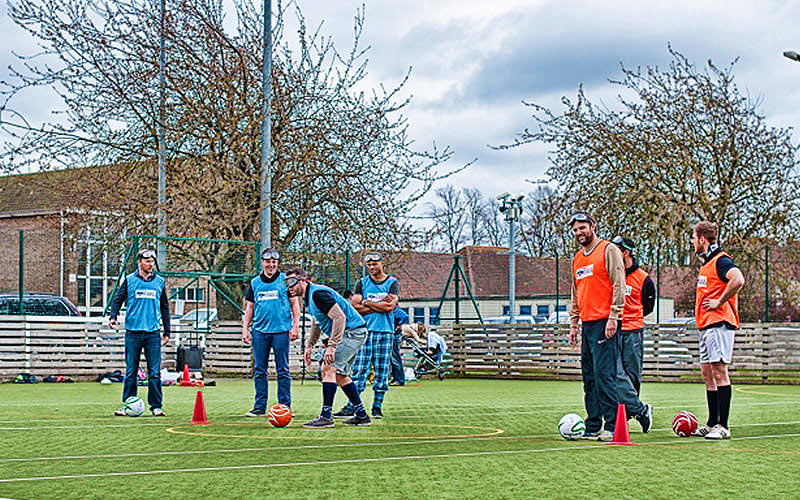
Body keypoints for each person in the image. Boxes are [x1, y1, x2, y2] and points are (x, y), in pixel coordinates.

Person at [568, 212, 652, 441]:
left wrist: (614, 317)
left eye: (583, 227)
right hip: (587, 324)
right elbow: (576, 293)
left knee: (606, 375)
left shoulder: (608, 250)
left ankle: (613, 424)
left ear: (593, 227)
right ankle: (593, 424)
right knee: (590, 377)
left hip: (606, 322)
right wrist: (574, 324)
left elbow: (618, 283)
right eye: (575, 230)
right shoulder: (577, 259)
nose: (579, 233)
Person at [284, 267, 372, 428]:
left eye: (291, 282)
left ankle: (326, 416)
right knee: (339, 375)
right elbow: (317, 322)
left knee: (327, 369)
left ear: (304, 280)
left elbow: (339, 318)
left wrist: (332, 346)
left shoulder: (318, 294)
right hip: (354, 332)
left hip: (352, 332)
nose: (288, 287)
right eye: (286, 283)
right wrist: (309, 345)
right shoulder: (308, 298)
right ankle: (361, 415)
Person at [690, 221, 744, 440]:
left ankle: (723, 425)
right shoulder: (706, 264)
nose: (692, 242)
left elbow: (738, 279)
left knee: (719, 372)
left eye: (693, 238)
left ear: (703, 239)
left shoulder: (721, 261)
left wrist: (720, 301)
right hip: (705, 325)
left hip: (719, 323)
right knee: (707, 372)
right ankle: (712, 422)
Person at [336, 252, 399, 419]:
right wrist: (379, 304)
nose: (371, 268)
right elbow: (355, 306)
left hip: (385, 332)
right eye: (369, 265)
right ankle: (352, 406)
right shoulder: (362, 283)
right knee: (359, 371)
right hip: (364, 332)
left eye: (374, 264)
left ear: (382, 263)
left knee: (382, 370)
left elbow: (390, 307)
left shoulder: (392, 283)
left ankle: (377, 406)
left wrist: (369, 302)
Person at [109, 248, 171, 417]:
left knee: (154, 373)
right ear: (139, 262)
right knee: (131, 372)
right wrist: (113, 316)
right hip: (133, 333)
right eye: (147, 261)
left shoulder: (159, 282)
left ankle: (156, 406)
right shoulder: (129, 280)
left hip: (152, 334)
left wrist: (167, 331)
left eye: (152, 261)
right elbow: (117, 299)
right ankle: (127, 404)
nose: (150, 264)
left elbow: (165, 307)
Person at [241, 248, 301, 416]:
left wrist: (295, 325)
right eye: (268, 262)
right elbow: (250, 308)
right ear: (262, 263)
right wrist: (245, 329)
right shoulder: (255, 283)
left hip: (281, 332)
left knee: (283, 370)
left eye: (274, 262)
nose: (271, 265)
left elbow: (294, 304)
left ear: (277, 263)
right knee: (260, 369)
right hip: (260, 332)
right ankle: (259, 406)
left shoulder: (285, 281)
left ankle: (285, 406)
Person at [612, 236, 656, 396]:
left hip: (633, 332)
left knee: (632, 372)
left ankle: (633, 410)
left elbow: (648, 307)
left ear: (625, 252)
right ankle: (616, 410)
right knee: (613, 372)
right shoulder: (611, 275)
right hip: (613, 330)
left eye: (615, 249)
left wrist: (632, 317)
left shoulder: (643, 279)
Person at [389, 306, 409, 386]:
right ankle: (395, 378)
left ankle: (399, 380)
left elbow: (405, 316)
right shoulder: (391, 309)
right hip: (393, 335)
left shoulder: (394, 309)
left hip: (395, 335)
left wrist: (399, 324)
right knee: (392, 358)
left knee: (395, 358)